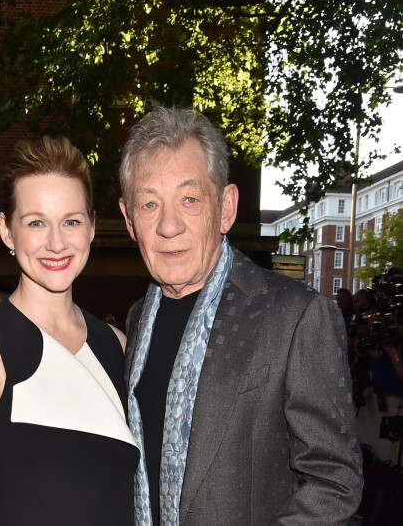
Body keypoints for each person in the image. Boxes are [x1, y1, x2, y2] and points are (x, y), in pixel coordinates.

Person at [118, 107, 363, 525]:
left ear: (226, 208)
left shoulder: (296, 315)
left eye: (190, 199)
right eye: (149, 204)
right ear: (128, 220)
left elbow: (335, 482)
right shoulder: (138, 319)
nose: (169, 225)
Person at [0, 136, 139, 525]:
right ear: (7, 231)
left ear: (92, 227)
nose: (57, 243)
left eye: (72, 221)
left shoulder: (117, 345)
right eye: (36, 223)